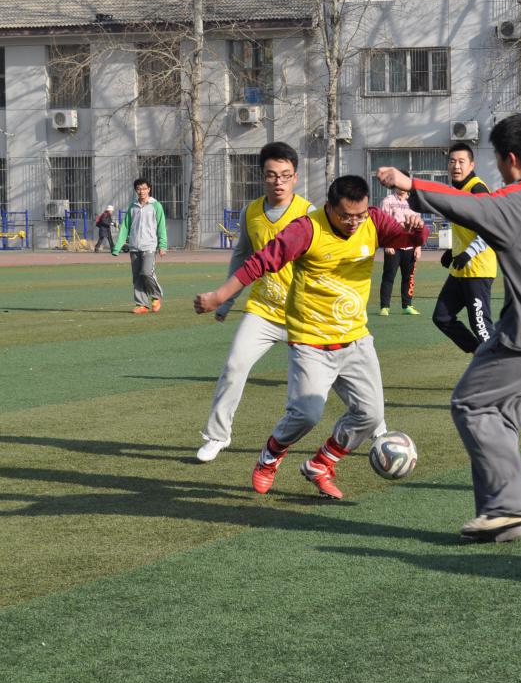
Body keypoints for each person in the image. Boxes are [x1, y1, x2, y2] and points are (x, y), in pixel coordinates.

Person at [377, 113, 521, 542]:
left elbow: (467, 206)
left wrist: (409, 184)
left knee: (471, 404)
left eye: (497, 159)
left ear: (510, 159)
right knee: (501, 419)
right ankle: (502, 521)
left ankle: (507, 507)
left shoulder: (515, 202)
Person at [193, 175, 427, 500]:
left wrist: (417, 230)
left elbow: (404, 239)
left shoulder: (373, 220)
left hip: (355, 339)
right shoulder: (307, 229)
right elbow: (260, 262)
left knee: (371, 415)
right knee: (306, 414)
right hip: (311, 341)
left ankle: (321, 464)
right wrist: (221, 296)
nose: (354, 223)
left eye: (359, 215)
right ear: (329, 207)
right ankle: (270, 455)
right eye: (346, 216)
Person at [195, 142, 315, 463]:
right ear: (262, 176)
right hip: (262, 310)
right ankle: (217, 435)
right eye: (272, 175)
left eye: (285, 175)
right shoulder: (251, 212)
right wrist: (225, 301)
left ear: (296, 177)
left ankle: (375, 425)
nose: (278, 182)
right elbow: (241, 257)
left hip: (303, 314)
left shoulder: (309, 213)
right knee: (234, 366)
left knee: (334, 376)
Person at [432, 142, 496, 353]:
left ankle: (499, 364)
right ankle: (481, 354)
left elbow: (491, 227)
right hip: (460, 269)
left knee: (481, 327)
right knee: (442, 317)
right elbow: (467, 228)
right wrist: (453, 251)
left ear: (471, 165)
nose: (456, 166)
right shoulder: (456, 190)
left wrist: (468, 253)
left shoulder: (477, 189)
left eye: (461, 161)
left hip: (478, 270)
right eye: (452, 161)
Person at [112, 178, 166, 314]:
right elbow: (125, 227)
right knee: (137, 276)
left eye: (144, 188)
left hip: (149, 245)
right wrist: (118, 247)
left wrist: (163, 245)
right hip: (134, 246)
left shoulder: (156, 206)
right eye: (139, 189)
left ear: (149, 189)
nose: (141, 191)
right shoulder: (133, 207)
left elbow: (161, 226)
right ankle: (142, 305)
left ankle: (156, 296)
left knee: (147, 272)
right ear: (136, 190)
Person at [378, 182, 422, 316]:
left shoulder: (414, 202)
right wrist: (387, 244)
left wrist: (418, 247)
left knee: (408, 277)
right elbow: (382, 224)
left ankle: (407, 305)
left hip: (410, 246)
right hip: (393, 246)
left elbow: (418, 226)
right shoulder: (388, 201)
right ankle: (385, 307)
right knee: (389, 277)